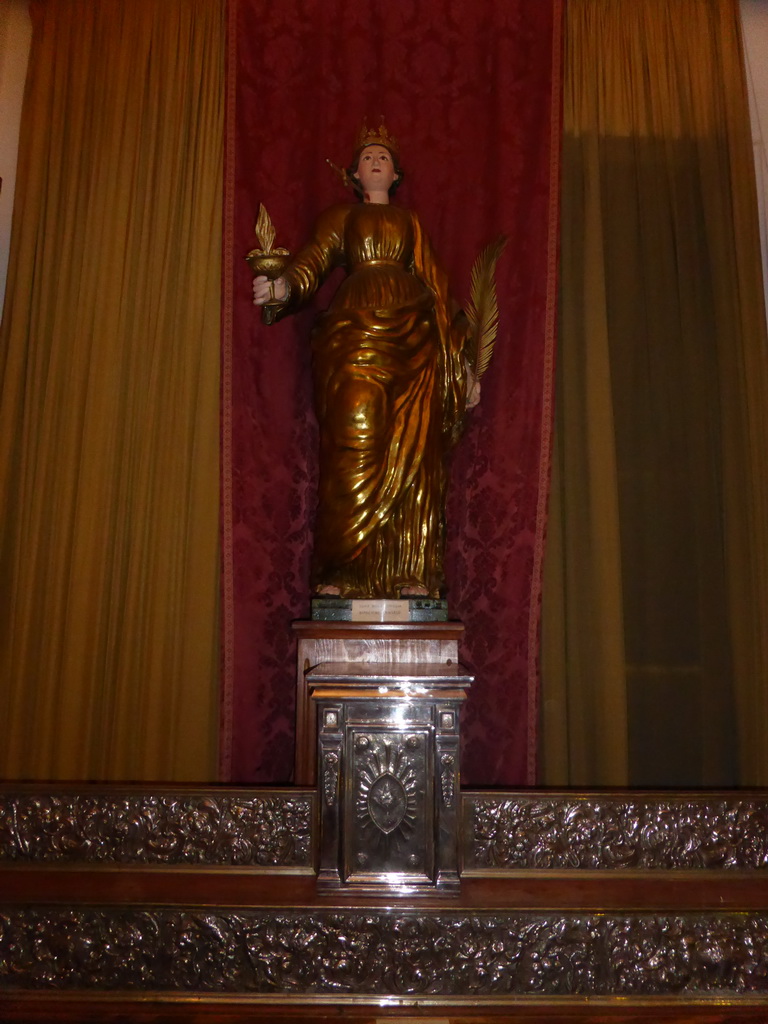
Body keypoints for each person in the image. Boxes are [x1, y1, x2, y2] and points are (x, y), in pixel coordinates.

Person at [253, 124, 477, 599]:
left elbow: (439, 290)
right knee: (353, 443)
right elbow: (312, 263)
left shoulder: (411, 224)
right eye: (367, 157)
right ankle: (340, 570)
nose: (376, 161)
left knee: (413, 452)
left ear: (396, 174)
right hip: (353, 335)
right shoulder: (341, 218)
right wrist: (282, 287)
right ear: (355, 173)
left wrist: (462, 365)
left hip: (416, 342)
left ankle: (410, 574)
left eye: (384, 157)